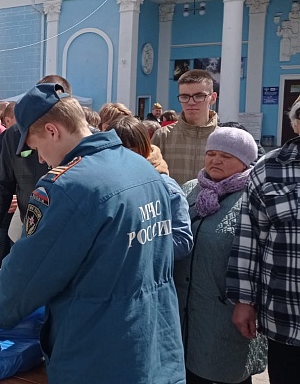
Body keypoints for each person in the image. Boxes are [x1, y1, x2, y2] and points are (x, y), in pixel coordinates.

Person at [0, 83, 185, 383]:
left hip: (98, 357)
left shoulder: (66, 186)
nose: (38, 159)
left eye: (35, 148)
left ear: (53, 131)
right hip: (156, 348)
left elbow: (24, 280)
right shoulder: (142, 169)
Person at [174, 127, 267, 384]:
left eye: (226, 156)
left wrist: (250, 303)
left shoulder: (253, 197)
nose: (215, 160)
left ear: (245, 160)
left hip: (227, 316)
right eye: (211, 153)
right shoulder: (190, 190)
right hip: (183, 312)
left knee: (225, 373)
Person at [227, 96, 300, 384]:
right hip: (287, 318)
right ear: (295, 124)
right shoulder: (270, 168)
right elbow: (249, 239)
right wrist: (244, 300)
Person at [0, 75, 71, 250]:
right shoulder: (15, 135)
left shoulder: (80, 140)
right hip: (30, 227)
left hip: (68, 233)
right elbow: (2, 183)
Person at [108, 116, 193, 260]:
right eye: (114, 150)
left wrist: (132, 247)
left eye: (129, 150)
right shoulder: (106, 183)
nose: (120, 157)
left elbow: (182, 241)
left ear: (144, 148)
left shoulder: (166, 187)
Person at [152, 69, 219, 185]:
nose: (191, 102)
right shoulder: (163, 136)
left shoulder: (223, 138)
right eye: (184, 96)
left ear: (212, 98)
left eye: (199, 96)